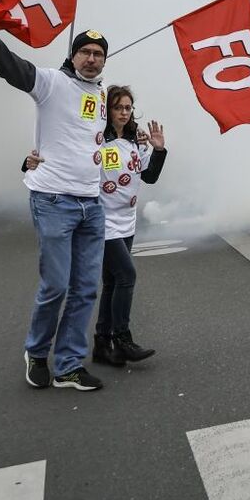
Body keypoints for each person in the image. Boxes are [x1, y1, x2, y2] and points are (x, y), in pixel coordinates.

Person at [0, 0, 109, 392]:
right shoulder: (50, 82)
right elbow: (9, 65)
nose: (91, 58)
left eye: (98, 54)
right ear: (73, 56)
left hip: (92, 204)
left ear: (105, 60)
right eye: (84, 52)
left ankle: (68, 365)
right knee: (56, 285)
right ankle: (37, 353)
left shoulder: (101, 94)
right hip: (54, 200)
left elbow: (94, 138)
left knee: (86, 288)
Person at [26, 85, 167, 367]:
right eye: (118, 107)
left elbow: (149, 177)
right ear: (107, 111)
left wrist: (159, 149)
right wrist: (29, 163)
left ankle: (103, 344)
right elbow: (63, 160)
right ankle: (123, 338)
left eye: (128, 108)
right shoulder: (95, 140)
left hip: (127, 221)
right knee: (127, 275)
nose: (124, 113)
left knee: (113, 281)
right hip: (101, 220)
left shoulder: (136, 141)